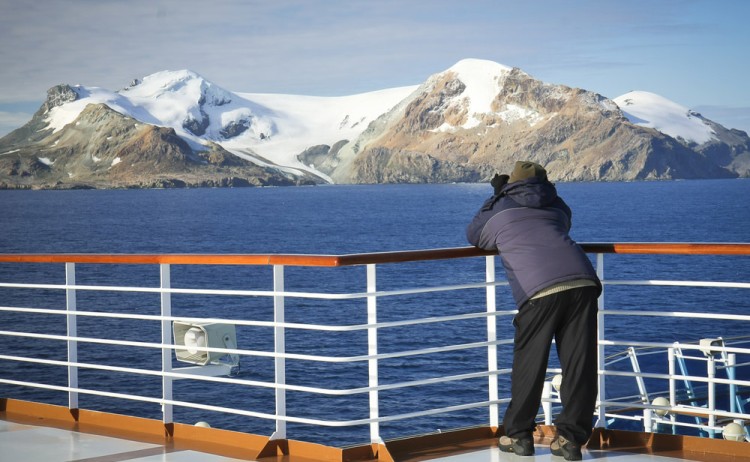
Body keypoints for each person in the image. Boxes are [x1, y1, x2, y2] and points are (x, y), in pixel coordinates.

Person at [466, 161, 601, 461]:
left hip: (540, 290)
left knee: (530, 363)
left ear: (510, 183)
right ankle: (570, 440)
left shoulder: (501, 208)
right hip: (582, 281)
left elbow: (474, 234)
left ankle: (518, 437)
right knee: (579, 364)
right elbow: (564, 224)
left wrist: (497, 196)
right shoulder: (556, 204)